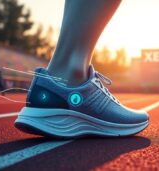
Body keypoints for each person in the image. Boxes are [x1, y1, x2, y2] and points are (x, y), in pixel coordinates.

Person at [14, 0, 149, 138]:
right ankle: (76, 74)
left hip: (46, 91)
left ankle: (65, 75)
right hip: (70, 88)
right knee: (75, 66)